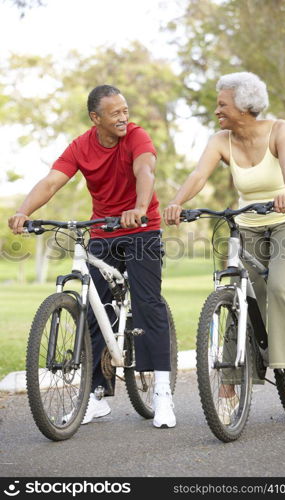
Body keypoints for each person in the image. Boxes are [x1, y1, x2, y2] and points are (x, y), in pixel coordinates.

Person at [8, 84, 176, 429]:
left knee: (147, 303)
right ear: (95, 118)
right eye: (115, 113)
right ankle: (97, 395)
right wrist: (23, 212)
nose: (123, 118)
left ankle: (162, 391)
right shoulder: (81, 146)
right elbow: (52, 182)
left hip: (141, 227)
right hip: (102, 230)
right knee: (95, 309)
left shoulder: (137, 137)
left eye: (125, 111)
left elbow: (145, 170)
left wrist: (139, 208)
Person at [164, 71, 285, 422]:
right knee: (238, 294)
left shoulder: (279, 129)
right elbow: (199, 175)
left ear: (245, 106)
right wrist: (176, 202)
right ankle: (229, 385)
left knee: (277, 286)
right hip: (247, 221)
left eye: (222, 104)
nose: (216, 110)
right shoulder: (221, 140)